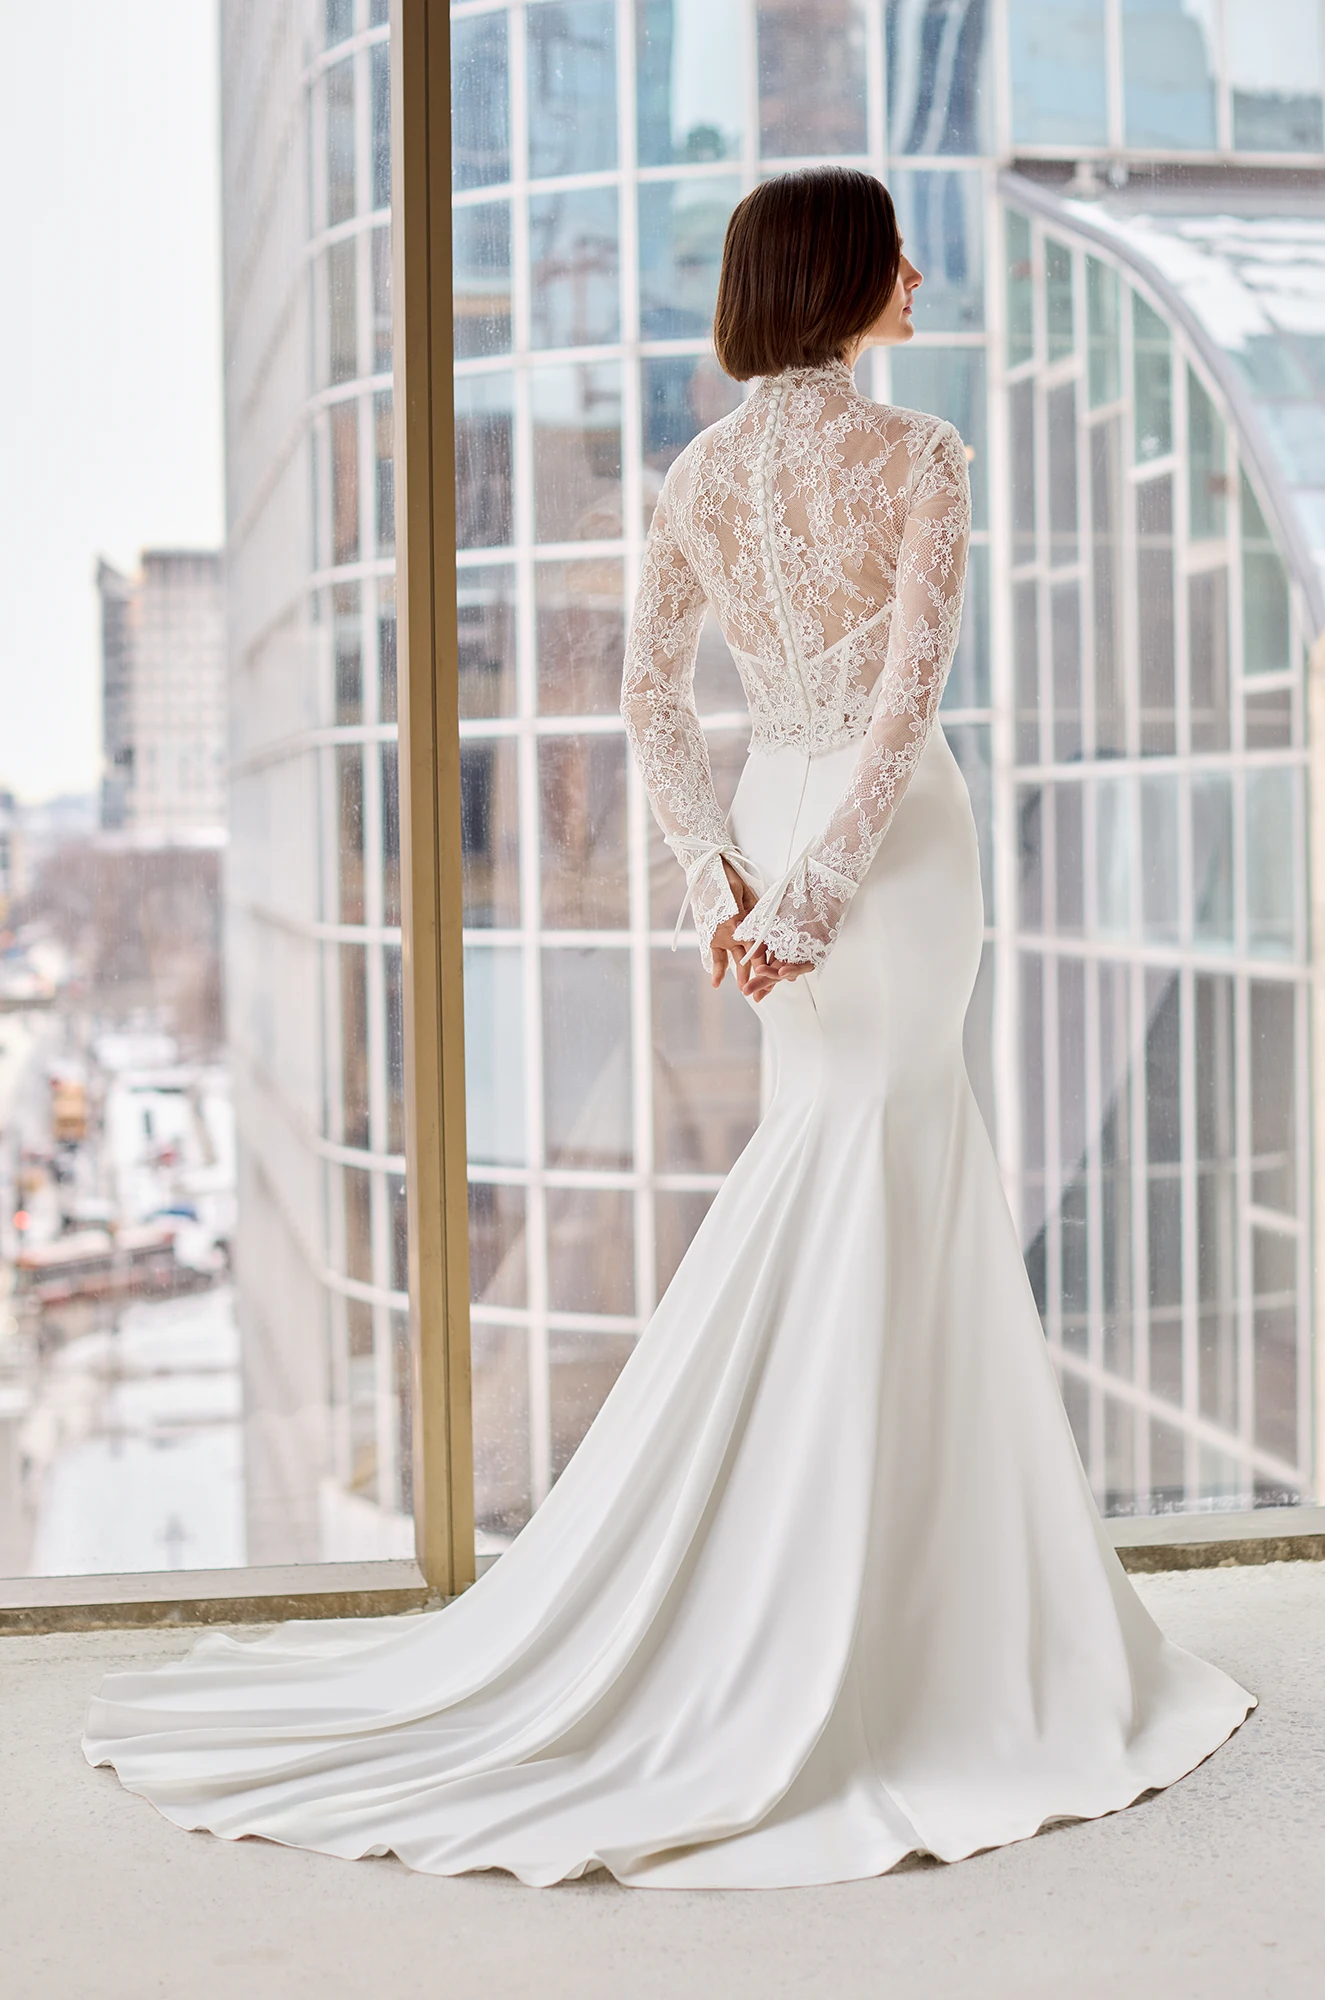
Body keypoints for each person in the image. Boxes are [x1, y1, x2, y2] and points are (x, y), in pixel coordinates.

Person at [83, 167, 1252, 1890]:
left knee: (858, 1167)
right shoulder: (924, 458)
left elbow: (649, 699)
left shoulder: (697, 476)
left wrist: (733, 878)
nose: (918, 275)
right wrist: (812, 892)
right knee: (885, 1172)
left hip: (788, 824)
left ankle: (851, 1589)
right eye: (893, 252)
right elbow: (913, 689)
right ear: (840, 277)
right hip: (893, 847)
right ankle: (902, 1618)